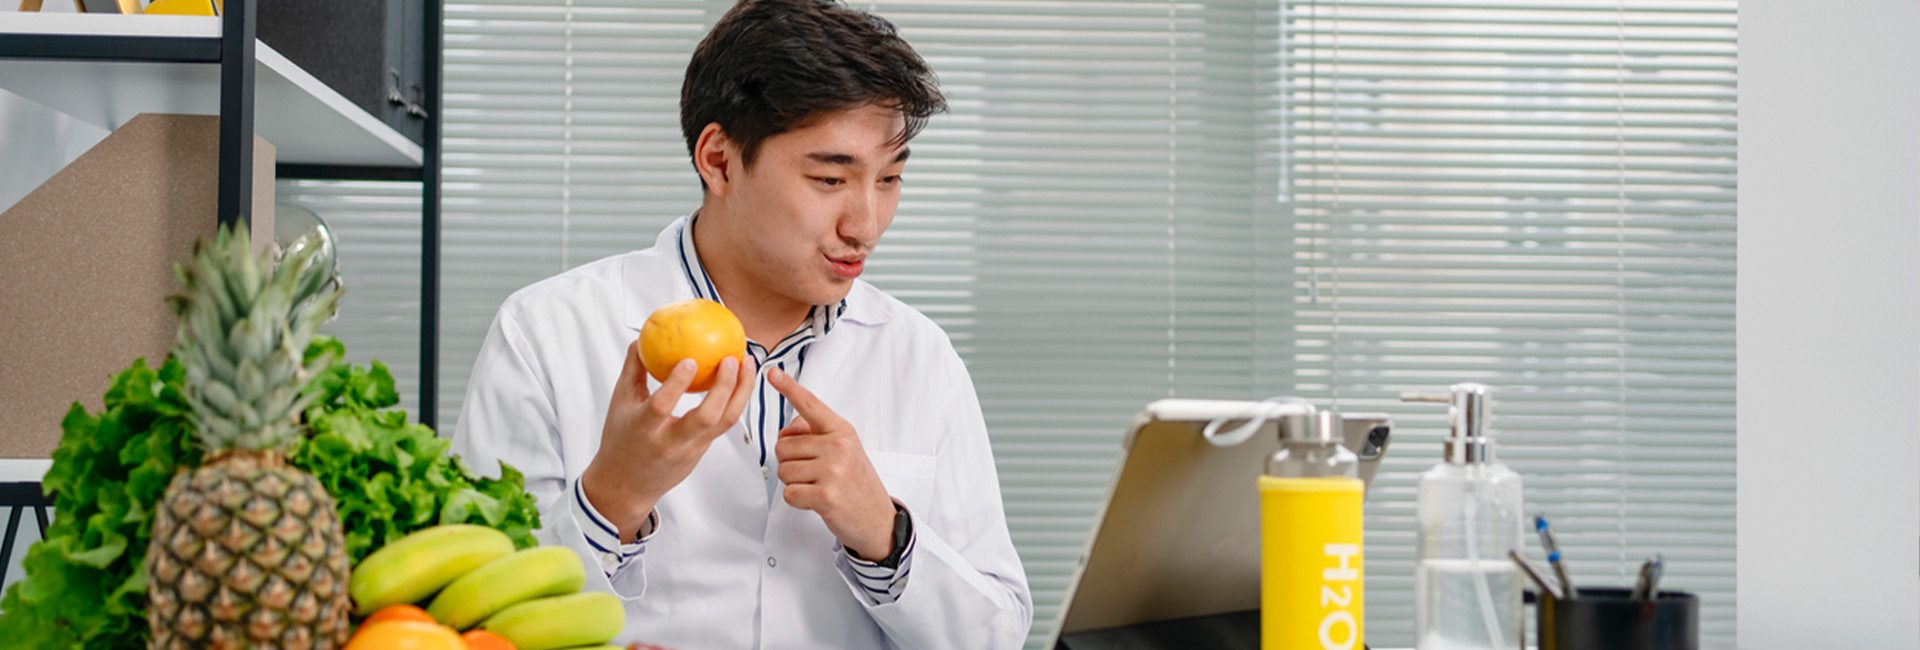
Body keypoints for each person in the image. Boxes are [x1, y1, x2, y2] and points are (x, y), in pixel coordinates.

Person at [450, 1, 1033, 647]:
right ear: (720, 160)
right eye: (829, 178)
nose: (865, 224)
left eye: (890, 179)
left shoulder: (920, 356)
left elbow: (997, 633)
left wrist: (884, 535)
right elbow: (472, 617)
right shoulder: (547, 332)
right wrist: (612, 495)